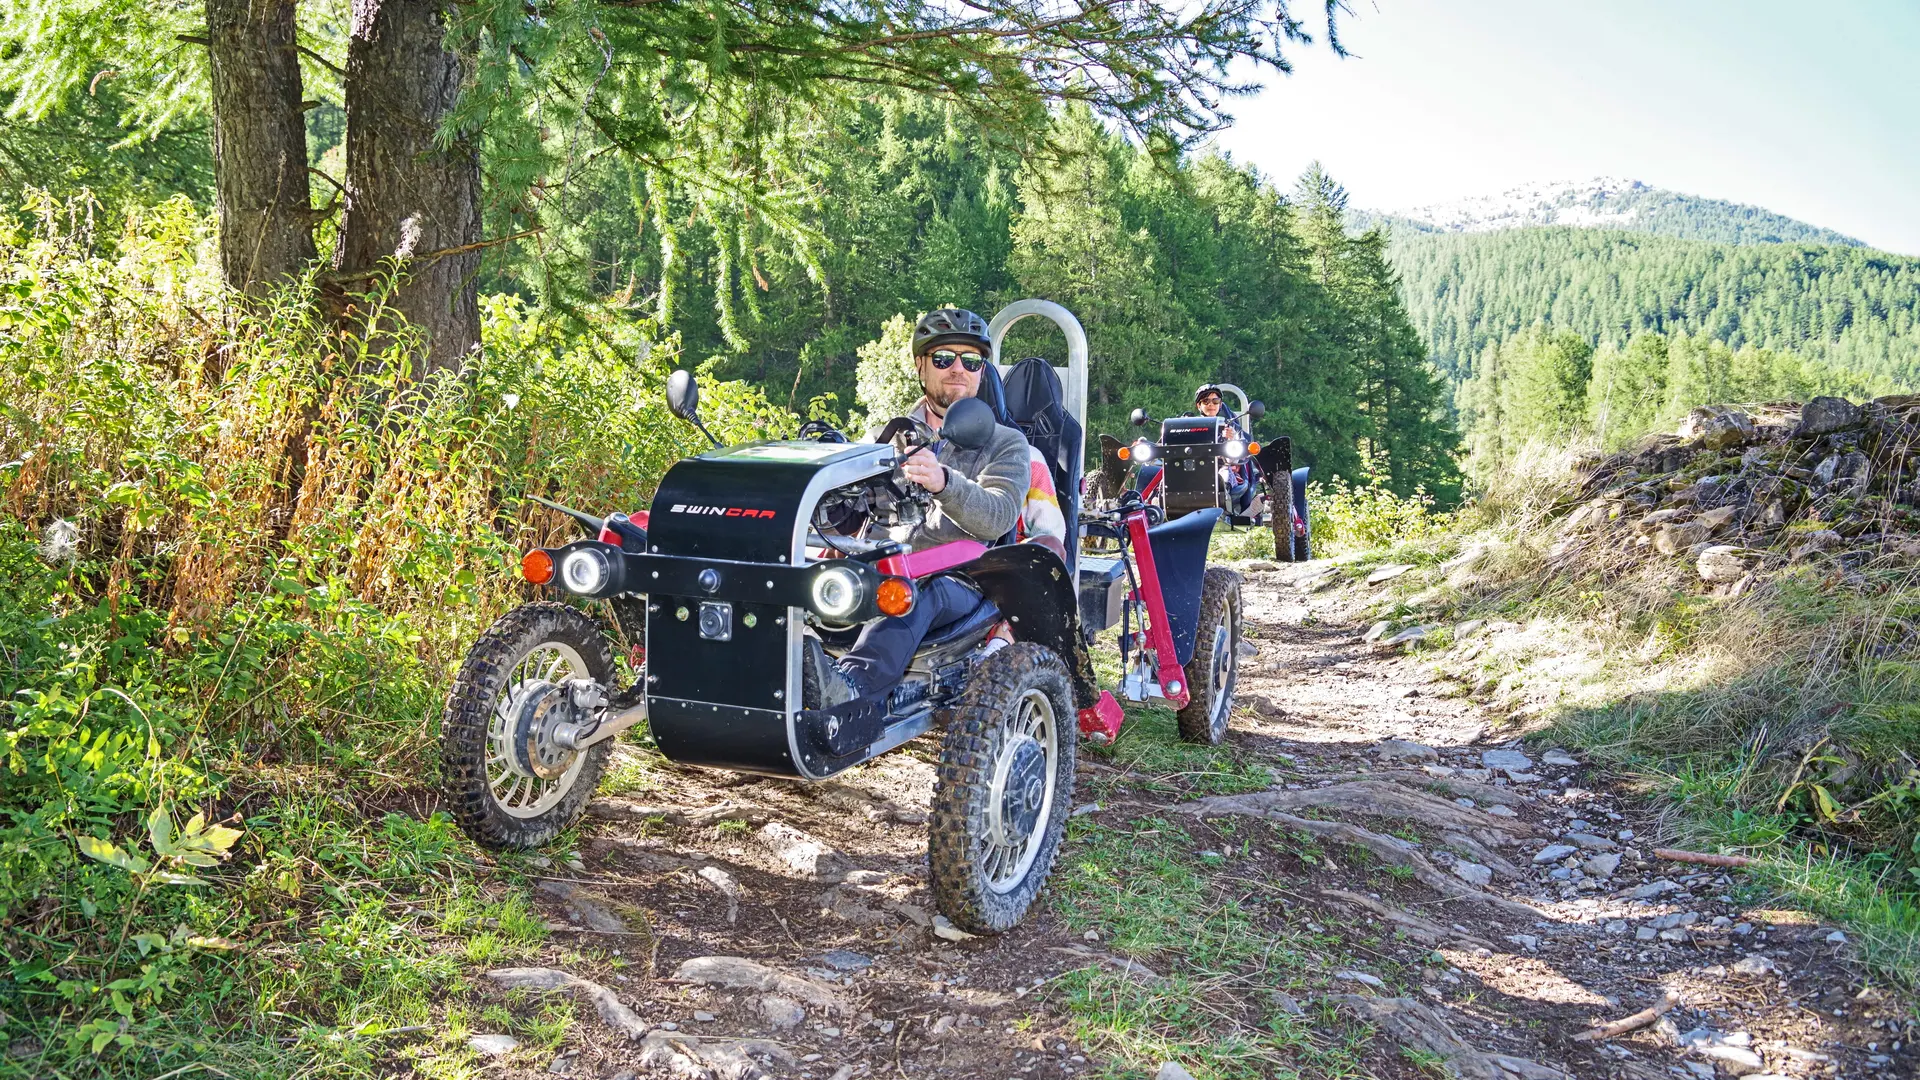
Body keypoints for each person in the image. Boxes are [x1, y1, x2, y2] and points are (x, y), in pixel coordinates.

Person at [802, 309, 1033, 741]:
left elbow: (999, 515)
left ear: (983, 372)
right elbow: (858, 516)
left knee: (910, 591)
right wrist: (835, 516)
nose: (958, 371)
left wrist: (946, 482)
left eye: (971, 361)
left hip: (960, 578)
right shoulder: (888, 436)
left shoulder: (1005, 442)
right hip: (883, 561)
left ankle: (851, 688)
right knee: (800, 572)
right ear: (920, 367)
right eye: (944, 358)